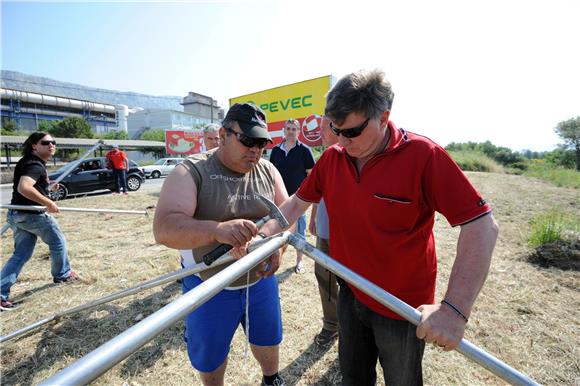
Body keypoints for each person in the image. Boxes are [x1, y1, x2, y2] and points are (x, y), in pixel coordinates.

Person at [261, 70, 499, 385]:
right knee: (354, 377)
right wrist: (267, 233)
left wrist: (454, 309)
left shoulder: (424, 156)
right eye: (335, 129)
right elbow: (295, 203)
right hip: (350, 291)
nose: (342, 141)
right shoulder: (333, 158)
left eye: (353, 131)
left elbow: (482, 226)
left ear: (383, 117)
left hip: (401, 307)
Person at [153, 103, 288, 386]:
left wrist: (277, 245)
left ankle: (271, 379)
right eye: (248, 140)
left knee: (268, 336)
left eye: (262, 142)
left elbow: (284, 215)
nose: (255, 149)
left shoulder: (268, 170)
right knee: (211, 354)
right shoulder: (190, 171)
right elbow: (164, 228)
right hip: (208, 285)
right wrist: (217, 231)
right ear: (224, 134)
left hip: (259, 280)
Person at [1, 132, 78, 310]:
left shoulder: (28, 161)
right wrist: (48, 202)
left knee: (20, 254)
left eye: (53, 142)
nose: (51, 145)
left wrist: (48, 189)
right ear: (34, 145)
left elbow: (30, 187)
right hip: (31, 215)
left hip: (17, 214)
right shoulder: (35, 164)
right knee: (58, 242)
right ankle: (63, 275)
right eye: (46, 143)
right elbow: (24, 188)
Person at [307, 116, 340, 347]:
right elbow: (314, 193)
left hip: (348, 236)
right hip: (326, 231)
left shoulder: (355, 157)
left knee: (352, 283)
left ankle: (352, 329)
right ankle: (331, 324)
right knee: (324, 277)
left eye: (323, 127)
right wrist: (313, 217)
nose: (320, 132)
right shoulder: (323, 159)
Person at [269, 118, 315, 274]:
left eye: (293, 129)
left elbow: (311, 176)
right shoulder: (276, 150)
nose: (290, 131)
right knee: (277, 231)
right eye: (288, 128)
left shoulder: (305, 151)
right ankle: (276, 258)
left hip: (298, 201)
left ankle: (299, 262)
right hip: (279, 200)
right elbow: (271, 175)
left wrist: (305, 195)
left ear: (298, 131)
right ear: (284, 130)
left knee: (299, 232)